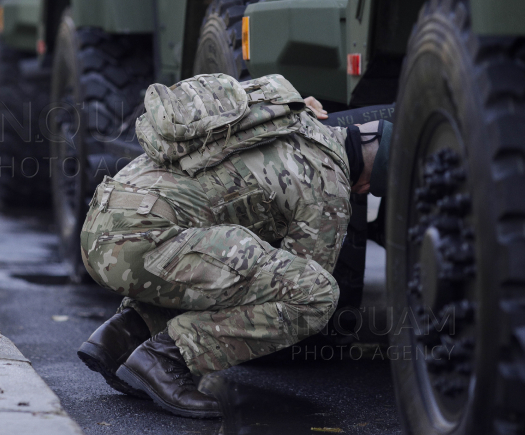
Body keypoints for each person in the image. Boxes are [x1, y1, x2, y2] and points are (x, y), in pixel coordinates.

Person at [76, 73, 391, 418]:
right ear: (365, 186)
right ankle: (166, 358)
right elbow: (292, 286)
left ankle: (120, 337)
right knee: (315, 295)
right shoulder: (332, 186)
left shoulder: (288, 113)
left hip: (103, 224)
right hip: (138, 246)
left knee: (233, 261)